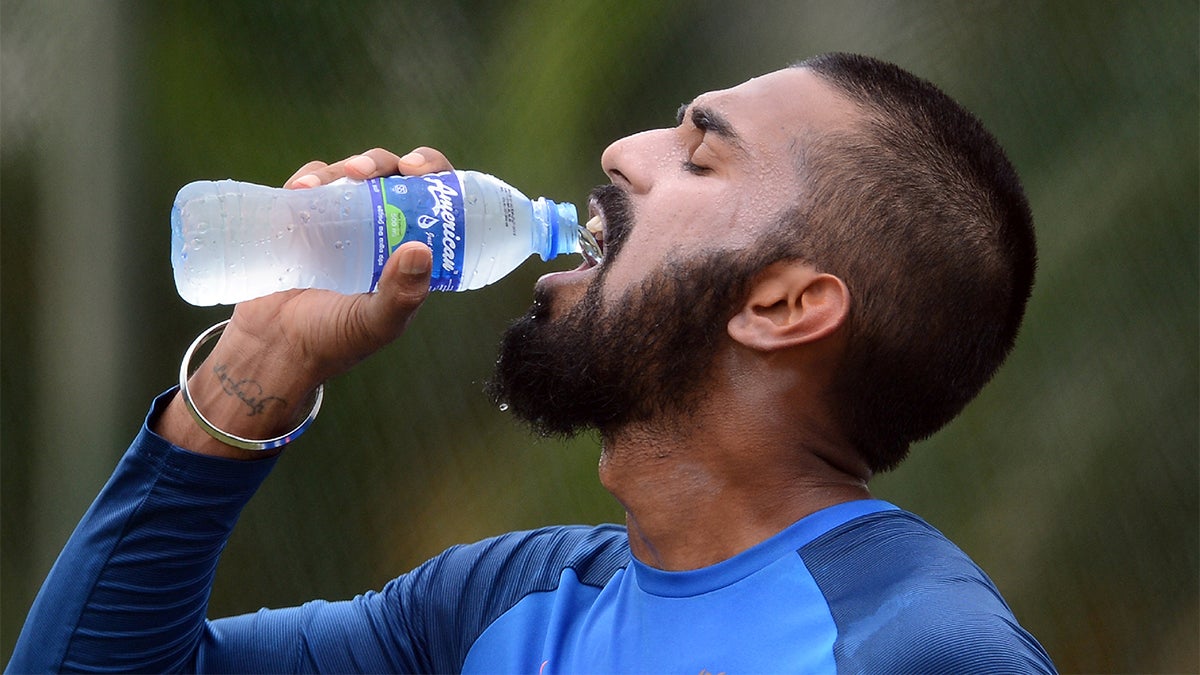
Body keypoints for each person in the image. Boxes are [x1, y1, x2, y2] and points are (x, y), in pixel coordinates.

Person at [9, 53, 1056, 673]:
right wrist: (258, 363)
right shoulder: (505, 605)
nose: (622, 152)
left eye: (697, 155)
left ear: (781, 305)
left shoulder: (916, 650)